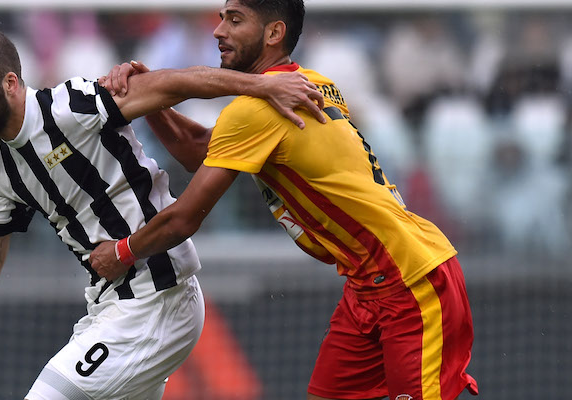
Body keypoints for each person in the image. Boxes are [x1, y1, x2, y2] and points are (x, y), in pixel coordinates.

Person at [0, 27, 325, 400]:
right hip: (108, 307)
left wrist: (262, 86)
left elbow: (174, 82)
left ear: (10, 83)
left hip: (158, 300)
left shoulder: (71, 106)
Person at [89, 1, 478, 399]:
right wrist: (152, 94)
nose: (218, 30)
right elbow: (197, 148)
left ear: (274, 34)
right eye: (222, 17)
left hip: (411, 281)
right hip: (369, 287)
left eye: (235, 20)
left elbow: (184, 218)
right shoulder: (309, 83)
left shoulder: (256, 111)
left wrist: (122, 252)